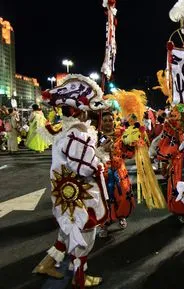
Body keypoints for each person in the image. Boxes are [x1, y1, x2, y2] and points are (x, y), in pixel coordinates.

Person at [32, 74, 109, 288]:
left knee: (66, 234)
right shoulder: (79, 132)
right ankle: (79, 279)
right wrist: (100, 163)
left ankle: (46, 264)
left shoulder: (65, 129)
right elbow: (83, 167)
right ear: (81, 110)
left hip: (65, 194)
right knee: (84, 237)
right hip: (78, 196)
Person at [98, 111, 136, 237]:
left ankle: (121, 217)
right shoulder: (95, 136)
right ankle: (104, 224)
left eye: (110, 120)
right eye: (105, 120)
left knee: (123, 196)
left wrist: (132, 144)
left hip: (119, 170)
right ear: (101, 122)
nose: (108, 122)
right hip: (103, 172)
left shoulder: (121, 134)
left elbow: (128, 154)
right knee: (105, 199)